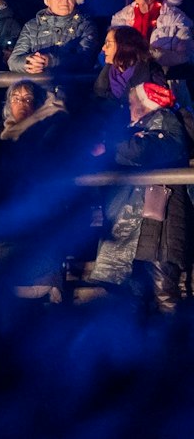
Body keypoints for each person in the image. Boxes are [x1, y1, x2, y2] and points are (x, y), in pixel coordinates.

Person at [90, 81, 190, 312]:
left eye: (131, 102)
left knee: (165, 296)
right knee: (133, 300)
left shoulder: (165, 120)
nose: (128, 107)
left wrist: (109, 147)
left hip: (158, 224)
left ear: (145, 104)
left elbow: (146, 150)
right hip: (134, 226)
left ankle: (174, 335)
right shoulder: (131, 130)